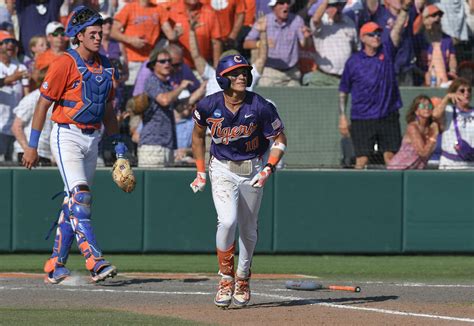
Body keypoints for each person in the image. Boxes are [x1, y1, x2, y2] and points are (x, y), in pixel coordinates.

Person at [22, 5, 129, 284]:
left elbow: (108, 110)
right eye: (92, 32)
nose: (98, 36)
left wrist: (119, 148)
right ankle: (95, 261)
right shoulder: (64, 63)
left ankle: (55, 264)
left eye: (100, 31)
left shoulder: (107, 65)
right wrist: (32, 146)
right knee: (81, 197)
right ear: (79, 36)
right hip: (66, 134)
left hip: (92, 138)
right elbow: (42, 104)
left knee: (74, 202)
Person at [190, 54, 287, 308]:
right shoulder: (207, 105)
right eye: (235, 72)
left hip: (253, 168)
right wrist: (200, 171)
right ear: (223, 78)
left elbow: (279, 139)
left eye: (244, 71)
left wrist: (268, 168)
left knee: (248, 229)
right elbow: (198, 137)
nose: (242, 76)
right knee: (227, 220)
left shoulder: (261, 106)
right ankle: (225, 278)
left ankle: (243, 278)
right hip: (222, 168)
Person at [339, 0, 412, 169]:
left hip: (388, 115)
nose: (377, 37)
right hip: (362, 118)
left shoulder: (387, 51)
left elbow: (398, 28)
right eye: (372, 34)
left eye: (378, 34)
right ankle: (356, 192)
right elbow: (343, 90)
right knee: (362, 160)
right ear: (363, 38)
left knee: (391, 158)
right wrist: (342, 116)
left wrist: (405, 8)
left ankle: (393, 192)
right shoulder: (354, 61)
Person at [137, 48, 194, 167]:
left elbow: (180, 107)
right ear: (153, 65)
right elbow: (164, 100)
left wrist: (201, 89)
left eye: (169, 61)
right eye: (162, 61)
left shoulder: (166, 84)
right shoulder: (152, 81)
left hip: (167, 145)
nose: (167, 64)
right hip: (153, 145)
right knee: (151, 184)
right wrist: (181, 87)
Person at [189, 13, 268, 96]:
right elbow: (196, 56)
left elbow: (262, 59)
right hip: (215, 109)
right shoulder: (212, 75)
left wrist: (263, 32)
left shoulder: (246, 77)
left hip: (242, 108)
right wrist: (191, 32)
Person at [243, 0, 307, 86]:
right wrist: (262, 43)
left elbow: (304, 44)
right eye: (281, 3)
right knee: (264, 89)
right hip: (270, 72)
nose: (286, 6)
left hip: (292, 73)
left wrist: (307, 37)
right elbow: (246, 44)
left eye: (287, 3)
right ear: (273, 7)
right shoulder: (264, 21)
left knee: (299, 96)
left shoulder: (297, 20)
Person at [305, 0, 358, 86]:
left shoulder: (349, 22)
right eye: (334, 5)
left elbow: (356, 48)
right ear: (326, 7)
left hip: (344, 78)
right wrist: (326, 1)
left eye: (340, 5)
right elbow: (315, 20)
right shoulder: (321, 22)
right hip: (322, 78)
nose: (337, 8)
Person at [11, 66, 54, 166]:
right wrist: (28, 150)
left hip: (46, 154)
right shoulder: (32, 98)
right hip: (27, 154)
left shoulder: (56, 100)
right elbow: (16, 127)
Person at [0, 31, 29, 162]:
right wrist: (12, 78)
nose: (10, 45)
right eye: (6, 42)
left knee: (13, 162)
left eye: (13, 42)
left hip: (16, 125)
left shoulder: (20, 66)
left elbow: (27, 95)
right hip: (0, 125)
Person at [387, 95, 439, 169]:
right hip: (398, 169)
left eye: (429, 106)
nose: (427, 108)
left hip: (416, 170)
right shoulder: (412, 127)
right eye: (422, 106)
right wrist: (433, 136)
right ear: (416, 111)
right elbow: (423, 153)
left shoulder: (431, 127)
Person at [433, 77, 474, 169]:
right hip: (450, 163)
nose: (466, 93)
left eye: (469, 90)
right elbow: (435, 115)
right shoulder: (448, 110)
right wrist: (447, 98)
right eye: (462, 91)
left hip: (471, 164)